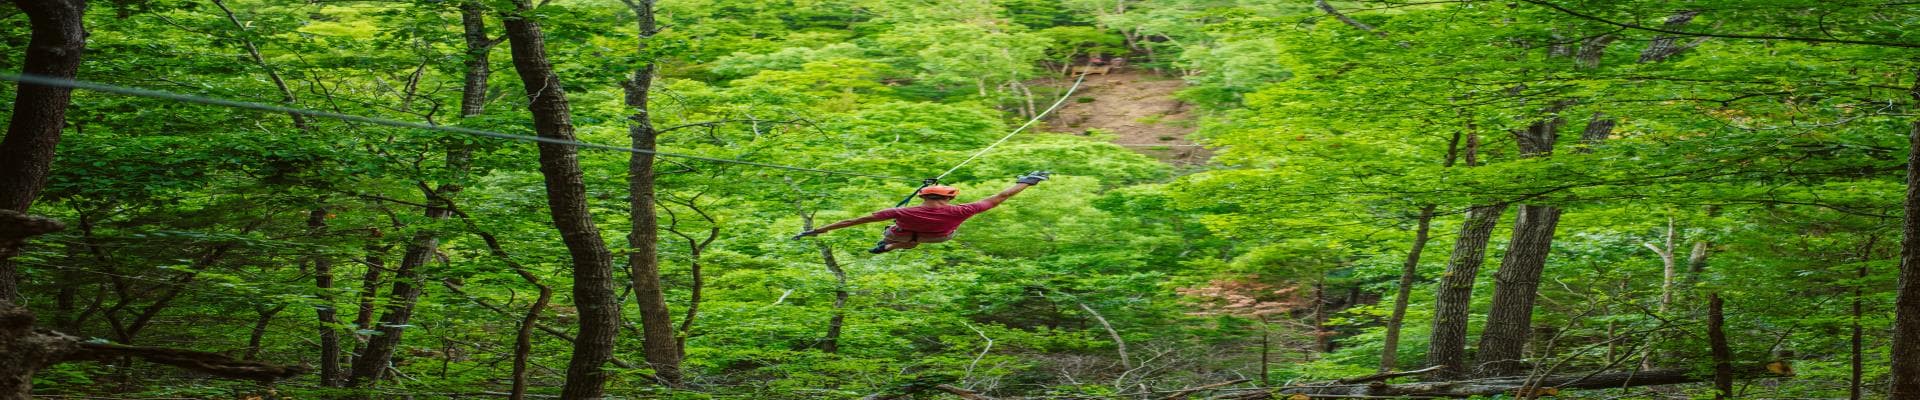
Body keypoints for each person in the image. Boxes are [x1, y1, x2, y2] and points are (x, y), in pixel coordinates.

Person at [793, 171, 1051, 253]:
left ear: (922, 196)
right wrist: (1028, 181)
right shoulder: (964, 209)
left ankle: (886, 246)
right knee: (916, 241)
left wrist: (816, 230)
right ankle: (887, 247)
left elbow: (853, 221)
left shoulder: (900, 212)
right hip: (940, 236)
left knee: (898, 238)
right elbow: (1001, 196)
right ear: (948, 197)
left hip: (900, 234)